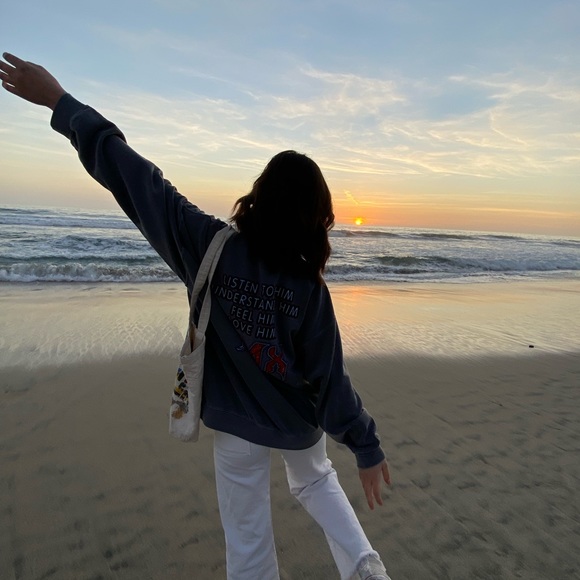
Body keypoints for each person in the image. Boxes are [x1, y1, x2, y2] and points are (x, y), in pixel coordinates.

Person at [0, 52, 392, 580]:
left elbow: (137, 180)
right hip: (298, 421)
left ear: (257, 197)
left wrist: (60, 101)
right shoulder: (308, 287)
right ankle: (365, 567)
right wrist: (365, 446)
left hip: (236, 425)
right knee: (315, 479)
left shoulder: (209, 245)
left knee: (249, 547)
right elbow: (330, 382)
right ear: (316, 216)